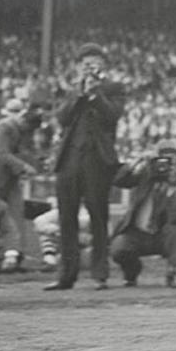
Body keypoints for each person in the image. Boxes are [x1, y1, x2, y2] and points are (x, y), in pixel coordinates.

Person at [45, 42, 126, 291]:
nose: (90, 66)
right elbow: (62, 118)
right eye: (85, 63)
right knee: (66, 219)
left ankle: (100, 274)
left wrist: (95, 94)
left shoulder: (114, 88)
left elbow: (113, 115)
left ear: (103, 65)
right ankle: (66, 276)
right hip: (69, 161)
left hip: (97, 161)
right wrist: (81, 94)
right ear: (79, 66)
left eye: (95, 62)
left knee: (98, 217)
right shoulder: (71, 89)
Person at [109, 141, 176, 288]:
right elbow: (118, 180)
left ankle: (172, 273)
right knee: (119, 247)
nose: (165, 163)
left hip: (162, 235)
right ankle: (131, 273)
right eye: (163, 157)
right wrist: (138, 161)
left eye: (171, 158)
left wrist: (173, 186)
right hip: (138, 233)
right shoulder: (144, 175)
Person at [0, 96, 40, 256]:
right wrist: (24, 166)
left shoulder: (14, 129)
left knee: (16, 212)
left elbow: (14, 152)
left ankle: (18, 250)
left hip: (10, 176)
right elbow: (0, 153)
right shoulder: (3, 128)